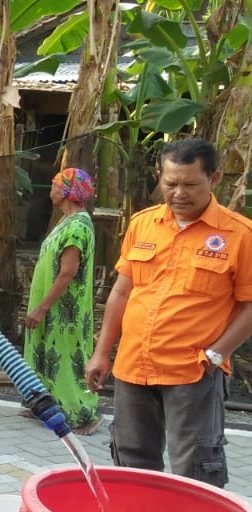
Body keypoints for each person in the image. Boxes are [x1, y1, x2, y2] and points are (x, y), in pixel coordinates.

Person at [85, 137, 252, 487]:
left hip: (191, 373)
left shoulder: (240, 235)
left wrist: (216, 353)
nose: (179, 193)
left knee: (194, 470)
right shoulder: (142, 224)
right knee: (131, 461)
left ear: (214, 178)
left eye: (191, 184)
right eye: (170, 183)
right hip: (133, 367)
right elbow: (122, 291)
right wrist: (102, 353)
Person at [23, 168, 100, 435]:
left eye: (55, 186)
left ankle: (84, 414)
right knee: (45, 353)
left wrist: (43, 307)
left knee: (68, 358)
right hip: (50, 305)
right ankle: (44, 406)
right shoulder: (66, 220)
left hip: (64, 310)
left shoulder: (77, 226)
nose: (50, 191)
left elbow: (68, 272)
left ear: (68, 191)